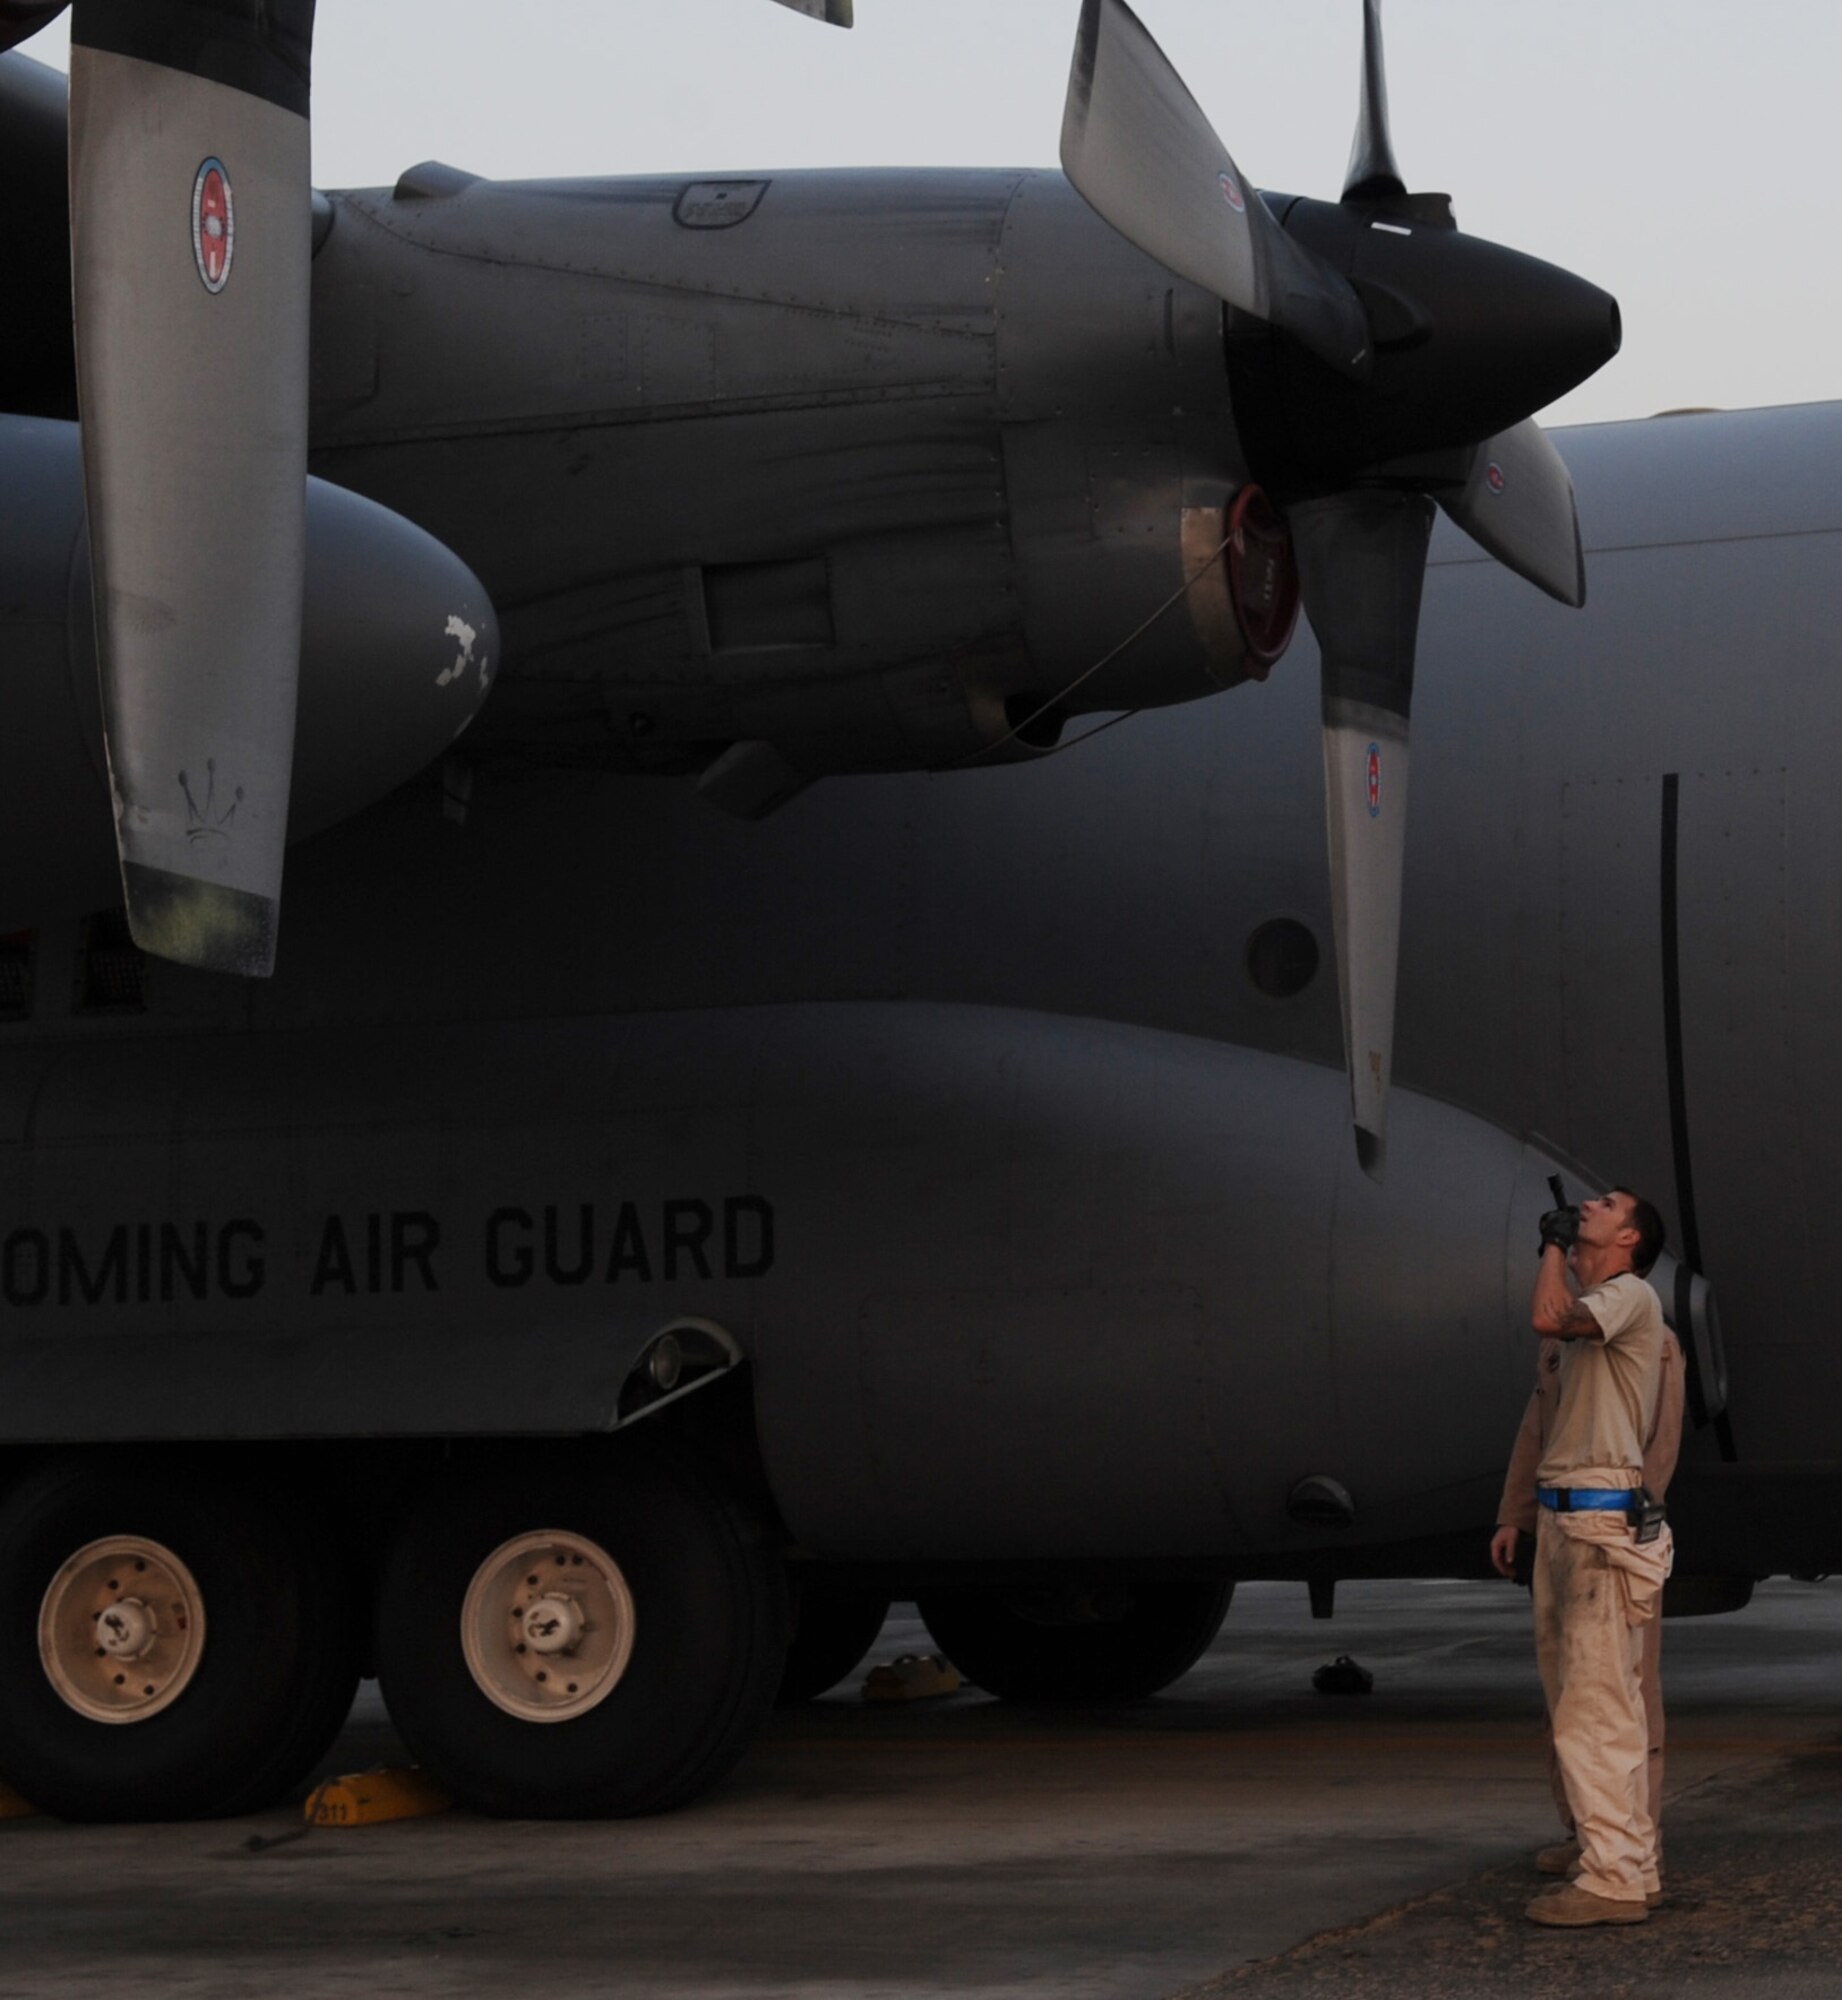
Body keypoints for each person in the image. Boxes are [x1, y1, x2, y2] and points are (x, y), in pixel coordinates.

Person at [1508, 1187, 1676, 1928]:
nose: (1586, 1203)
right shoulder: (1598, 1311)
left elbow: (1548, 1313)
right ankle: (1627, 1862)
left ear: (1631, 1236)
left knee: (1595, 1709)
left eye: (1604, 1204)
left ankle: (1610, 1880)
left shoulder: (1631, 1296)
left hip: (1597, 1523)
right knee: (1590, 1703)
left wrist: (1550, 1245)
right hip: (1567, 1520)